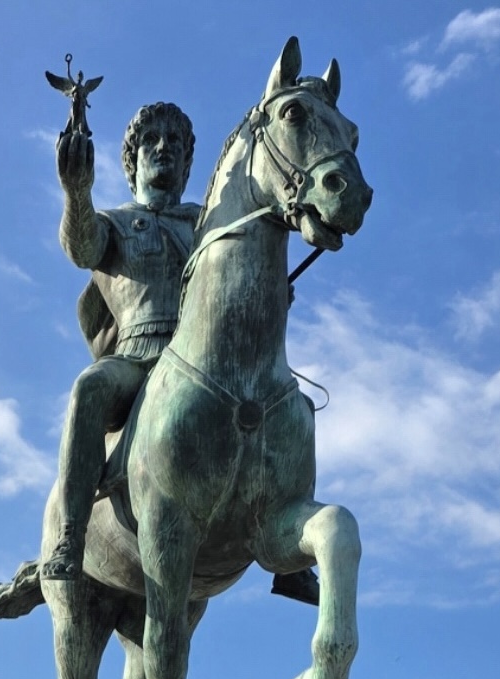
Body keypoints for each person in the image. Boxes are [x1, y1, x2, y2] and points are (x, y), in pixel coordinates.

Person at [43, 101, 319, 605]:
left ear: (189, 162)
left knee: (296, 406)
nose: (163, 147)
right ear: (133, 161)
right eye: (151, 140)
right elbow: (82, 248)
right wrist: (76, 191)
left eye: (174, 141)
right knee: (89, 388)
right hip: (139, 357)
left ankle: (291, 556)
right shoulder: (116, 222)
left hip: (213, 360)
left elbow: (242, 274)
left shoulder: (208, 222)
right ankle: (70, 534)